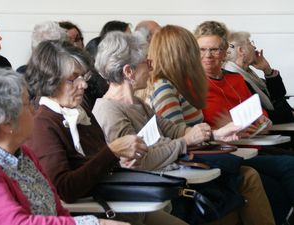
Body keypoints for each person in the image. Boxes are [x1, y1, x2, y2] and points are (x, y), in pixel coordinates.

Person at [93, 30, 276, 225]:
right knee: (237, 191)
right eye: (147, 63)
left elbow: (174, 131)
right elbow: (139, 159)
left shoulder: (137, 103)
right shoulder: (108, 110)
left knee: (234, 201)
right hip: (142, 194)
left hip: (164, 180)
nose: (151, 67)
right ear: (129, 72)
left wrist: (217, 133)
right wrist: (186, 141)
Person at [24, 40, 187, 225]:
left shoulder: (80, 114)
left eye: (83, 77)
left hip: (115, 204)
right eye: (73, 79)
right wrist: (112, 152)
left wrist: (119, 162)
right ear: (50, 80)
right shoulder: (43, 125)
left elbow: (96, 165)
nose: (83, 85)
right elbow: (64, 190)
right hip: (96, 214)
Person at [0, 68, 129, 225]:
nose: (33, 108)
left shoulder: (25, 154)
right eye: (26, 104)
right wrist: (96, 223)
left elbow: (59, 211)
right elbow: (16, 222)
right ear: (6, 122)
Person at [194, 20, 294, 224]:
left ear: (224, 51)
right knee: (286, 168)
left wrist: (263, 120)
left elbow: (260, 111)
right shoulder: (191, 83)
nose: (208, 56)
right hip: (226, 151)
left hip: (253, 145)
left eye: (214, 50)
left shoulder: (235, 79)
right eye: (202, 49)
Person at [223, 31, 294, 124]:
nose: (255, 47)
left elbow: (278, 95)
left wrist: (267, 70)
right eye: (250, 43)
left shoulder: (248, 73)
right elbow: (258, 114)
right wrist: (291, 114)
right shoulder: (234, 77)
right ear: (241, 50)